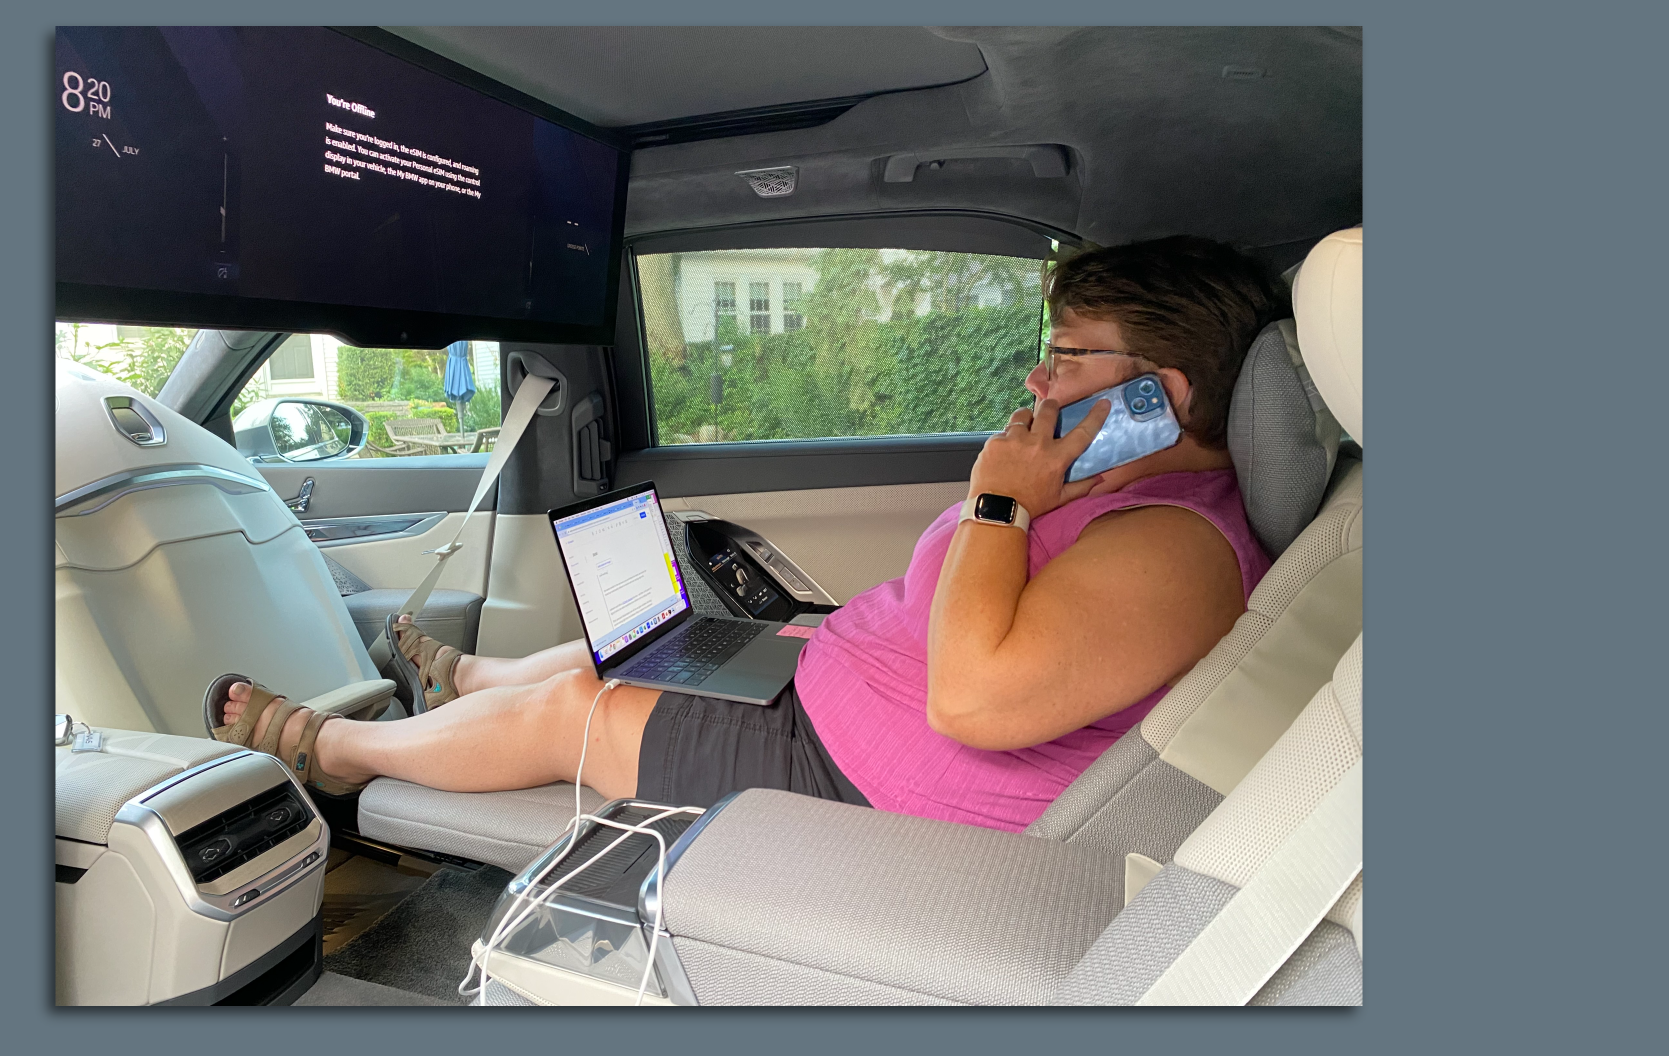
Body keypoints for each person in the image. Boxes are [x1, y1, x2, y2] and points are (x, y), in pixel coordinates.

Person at [213, 237, 1279, 833]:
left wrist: (996, 503)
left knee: (580, 708)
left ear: (1162, 392)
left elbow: (973, 698)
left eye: (1071, 358)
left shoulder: (1179, 550)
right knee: (649, 641)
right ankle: (477, 678)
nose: (1038, 381)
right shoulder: (1113, 498)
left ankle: (340, 751)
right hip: (844, 698)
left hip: (865, 770)